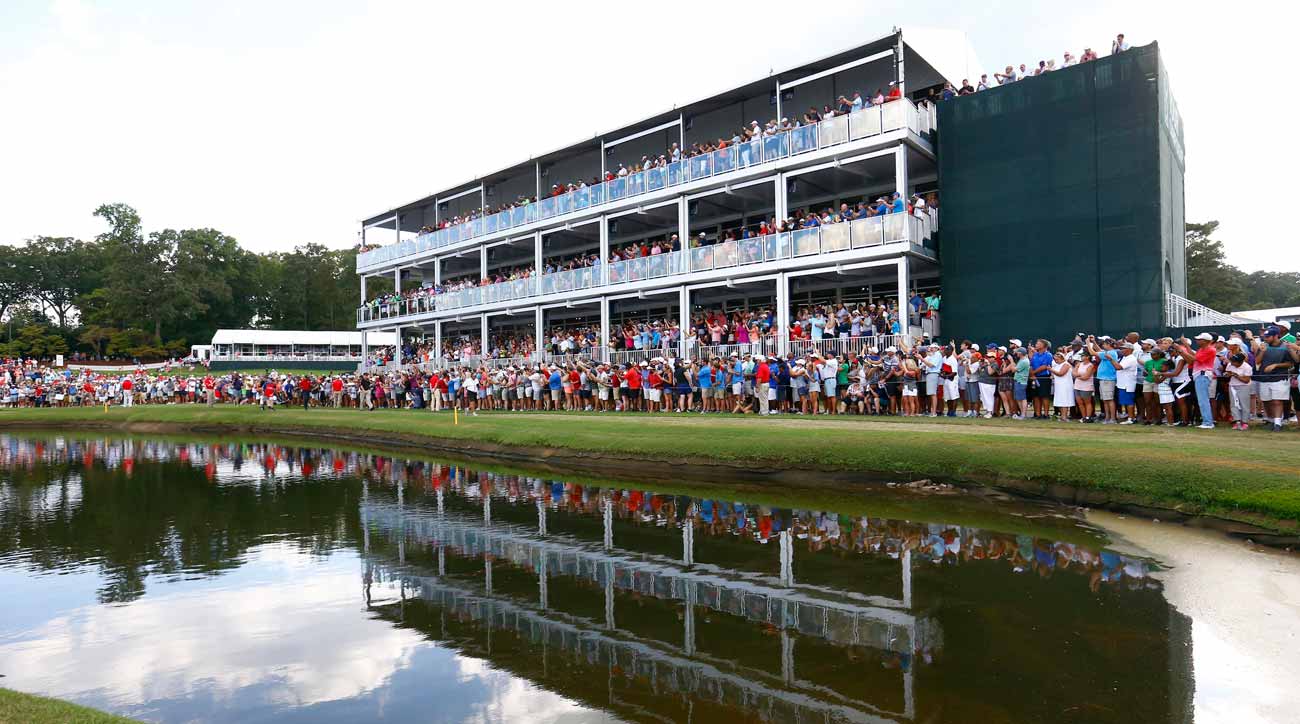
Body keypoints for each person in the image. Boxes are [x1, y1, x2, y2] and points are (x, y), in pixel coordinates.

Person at [1254, 326, 1296, 431]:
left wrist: (1275, 365)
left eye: (1268, 337)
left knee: (1277, 401)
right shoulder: (1263, 346)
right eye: (1265, 336)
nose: (1266, 338)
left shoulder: (1285, 347)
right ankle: (1271, 421)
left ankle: (1278, 423)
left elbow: (1290, 363)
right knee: (1266, 401)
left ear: (1276, 336)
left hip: (1280, 378)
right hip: (1264, 378)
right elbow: (1257, 362)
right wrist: (1262, 351)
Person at [1223, 349, 1254, 431]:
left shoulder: (1247, 367)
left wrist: (1236, 375)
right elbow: (1227, 373)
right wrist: (1227, 374)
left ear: (1240, 362)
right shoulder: (1230, 364)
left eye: (1234, 362)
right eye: (1232, 361)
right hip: (1232, 386)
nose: (1232, 363)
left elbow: (1246, 380)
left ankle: (1245, 423)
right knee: (1234, 405)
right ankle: (1237, 422)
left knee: (1244, 404)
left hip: (1244, 386)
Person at [1050, 352, 1075, 420]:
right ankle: (1062, 416)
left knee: (1064, 401)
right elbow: (1054, 374)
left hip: (1065, 385)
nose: (1056, 361)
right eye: (1055, 360)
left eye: (1057, 359)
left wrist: (1051, 369)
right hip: (1059, 385)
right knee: (1060, 400)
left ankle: (1064, 417)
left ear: (1062, 358)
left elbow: (1061, 373)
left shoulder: (1066, 364)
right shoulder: (1057, 365)